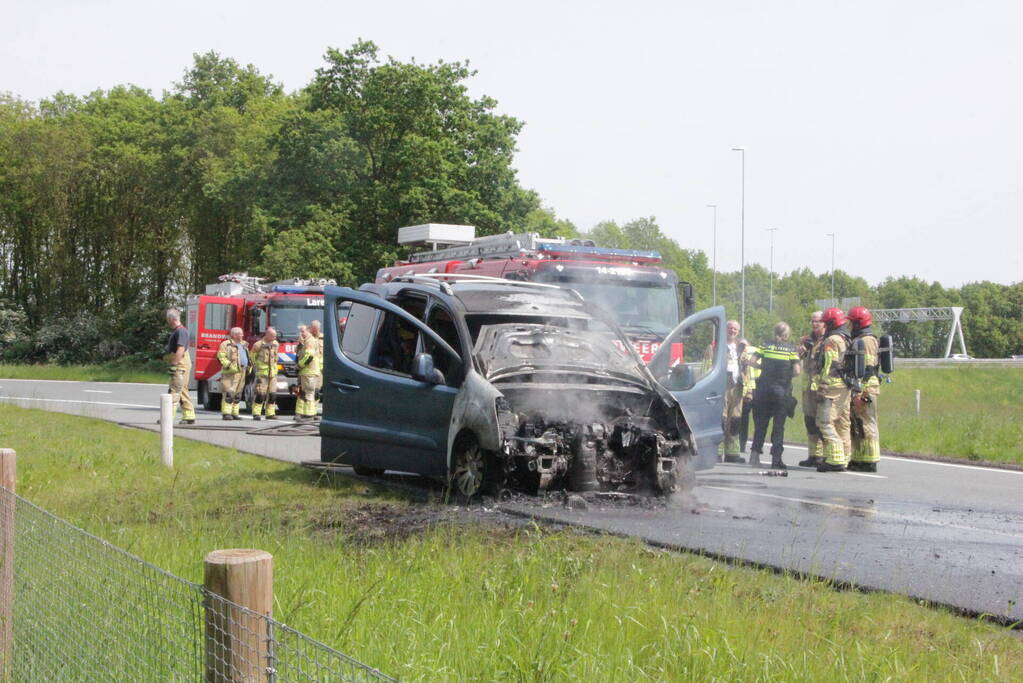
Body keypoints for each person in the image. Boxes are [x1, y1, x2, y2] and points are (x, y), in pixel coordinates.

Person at [748, 322, 801, 469]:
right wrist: (785, 374)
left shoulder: (765, 345)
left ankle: (754, 455)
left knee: (761, 424)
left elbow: (751, 361)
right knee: (778, 426)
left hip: (764, 389)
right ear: (787, 335)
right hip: (781, 392)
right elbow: (797, 371)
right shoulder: (791, 349)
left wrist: (763, 367)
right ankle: (776, 459)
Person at [813, 308, 852, 472]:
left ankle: (835, 460)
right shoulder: (847, 338)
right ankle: (845, 457)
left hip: (833, 387)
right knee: (843, 423)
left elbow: (829, 363)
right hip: (846, 386)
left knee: (825, 421)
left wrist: (823, 385)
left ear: (829, 323)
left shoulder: (832, 340)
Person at [848, 306, 882, 472]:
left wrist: (861, 393)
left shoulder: (867, 341)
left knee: (867, 424)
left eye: (851, 322)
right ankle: (859, 458)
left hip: (867, 388)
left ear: (857, 323)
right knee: (859, 424)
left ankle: (870, 461)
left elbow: (867, 369)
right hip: (863, 387)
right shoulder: (862, 338)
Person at [797, 311, 827, 468]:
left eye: (818, 321)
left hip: (821, 389)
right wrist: (800, 350)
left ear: (825, 323)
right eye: (812, 321)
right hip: (808, 388)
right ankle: (813, 455)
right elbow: (798, 358)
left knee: (822, 422)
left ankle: (824, 455)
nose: (815, 324)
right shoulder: (807, 340)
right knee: (809, 421)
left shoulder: (827, 340)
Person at [718, 320, 745, 463]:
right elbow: (708, 365)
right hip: (722, 385)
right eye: (730, 328)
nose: (732, 331)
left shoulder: (743, 347)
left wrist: (750, 389)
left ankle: (732, 453)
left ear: (738, 332)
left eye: (735, 329)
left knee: (735, 419)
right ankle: (717, 451)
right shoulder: (716, 345)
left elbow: (748, 367)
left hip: (738, 387)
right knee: (721, 419)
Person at [164, 308, 195, 425]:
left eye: (168, 320)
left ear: (172, 319)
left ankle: (167, 418)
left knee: (174, 390)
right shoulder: (181, 331)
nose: (167, 322)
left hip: (180, 365)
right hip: (182, 364)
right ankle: (189, 416)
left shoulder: (180, 331)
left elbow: (181, 349)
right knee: (182, 390)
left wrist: (174, 364)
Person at [215, 327, 248, 421]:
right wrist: (229, 366)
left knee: (238, 394)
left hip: (242, 370)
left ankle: (235, 413)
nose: (242, 335)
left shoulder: (244, 344)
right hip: (230, 373)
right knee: (229, 393)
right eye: (240, 334)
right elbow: (221, 357)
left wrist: (249, 366)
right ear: (234, 335)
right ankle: (226, 413)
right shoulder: (226, 344)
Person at [250, 327, 280, 421]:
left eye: (275, 336)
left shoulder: (275, 344)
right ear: (267, 335)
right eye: (273, 336)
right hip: (262, 374)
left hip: (273, 374)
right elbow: (252, 357)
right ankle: (256, 413)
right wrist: (257, 367)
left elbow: (276, 357)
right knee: (260, 394)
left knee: (272, 395)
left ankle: (270, 413)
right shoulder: (258, 345)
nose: (274, 338)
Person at [295, 325, 321, 423]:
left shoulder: (310, 341)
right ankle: (302, 414)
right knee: (304, 393)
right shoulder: (306, 341)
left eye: (303, 331)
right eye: (300, 332)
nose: (301, 334)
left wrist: (299, 365)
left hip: (309, 371)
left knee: (309, 393)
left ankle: (309, 415)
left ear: (308, 330)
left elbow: (309, 356)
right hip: (307, 372)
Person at [738, 339, 760, 453]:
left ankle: (742, 445)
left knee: (743, 420)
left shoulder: (739, 353)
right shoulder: (757, 351)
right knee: (757, 420)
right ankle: (756, 447)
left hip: (748, 390)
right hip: (757, 388)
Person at [309, 318, 325, 414]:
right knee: (309, 391)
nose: (315, 330)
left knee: (316, 391)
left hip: (320, 370)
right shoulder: (308, 338)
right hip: (310, 369)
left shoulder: (324, 338)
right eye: (313, 328)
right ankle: (310, 411)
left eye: (316, 328)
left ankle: (314, 411)